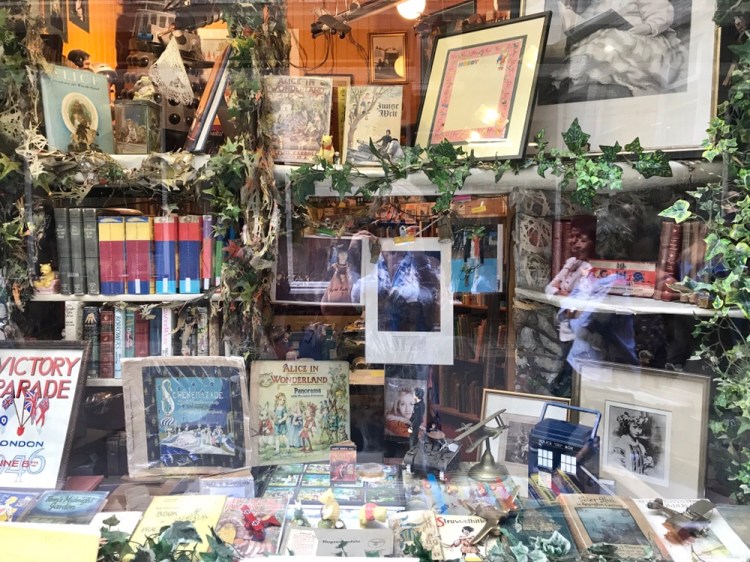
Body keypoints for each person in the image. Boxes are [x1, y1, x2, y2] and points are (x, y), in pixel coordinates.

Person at [553, 0, 686, 101]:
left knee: (613, 40)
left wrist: (649, 26)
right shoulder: (597, 3)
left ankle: (584, 63)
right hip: (605, 38)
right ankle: (582, 64)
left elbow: (660, 11)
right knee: (597, 42)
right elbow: (586, 23)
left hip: (642, 37)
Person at [611, 410, 655, 475]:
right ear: (627, 426)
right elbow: (617, 465)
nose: (638, 431)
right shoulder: (621, 444)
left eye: (640, 427)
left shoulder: (641, 447)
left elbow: (647, 465)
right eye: (634, 427)